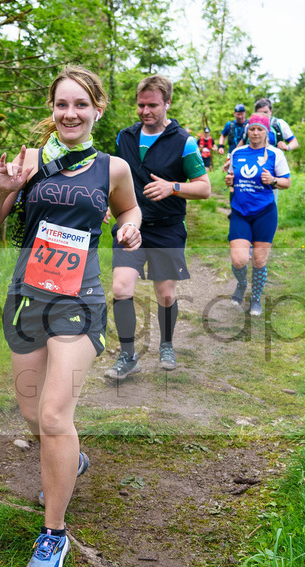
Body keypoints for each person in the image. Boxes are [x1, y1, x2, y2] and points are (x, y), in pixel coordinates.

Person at [0, 65, 141, 567]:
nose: (70, 114)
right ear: (52, 110)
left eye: (80, 105)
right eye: (61, 104)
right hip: (27, 296)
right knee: (32, 414)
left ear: (97, 110)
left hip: (81, 299)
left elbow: (128, 211)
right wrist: (3, 190)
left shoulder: (112, 167)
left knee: (51, 416)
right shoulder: (29, 162)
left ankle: (53, 535)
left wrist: (130, 229)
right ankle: (72, 460)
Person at [105, 75, 211, 379]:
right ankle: (128, 355)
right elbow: (113, 178)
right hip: (130, 225)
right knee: (121, 288)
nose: (145, 111)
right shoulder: (124, 137)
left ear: (167, 103)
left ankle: (166, 344)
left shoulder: (184, 142)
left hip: (167, 228)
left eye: (152, 105)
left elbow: (204, 188)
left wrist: (172, 187)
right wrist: (101, 201)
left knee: (165, 294)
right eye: (140, 105)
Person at [224, 113, 291, 317]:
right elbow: (232, 176)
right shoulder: (238, 152)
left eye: (259, 129)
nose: (255, 132)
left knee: (259, 261)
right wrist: (229, 180)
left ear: (266, 132)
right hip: (240, 212)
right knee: (239, 260)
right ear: (248, 130)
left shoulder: (275, 154)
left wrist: (273, 180)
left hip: (265, 213)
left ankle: (255, 299)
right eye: (252, 128)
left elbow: (286, 182)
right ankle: (242, 283)